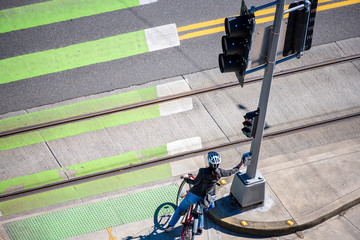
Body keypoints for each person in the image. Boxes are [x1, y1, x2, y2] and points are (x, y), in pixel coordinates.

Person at [165, 151, 243, 235]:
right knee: (201, 210)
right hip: (207, 198)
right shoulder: (220, 172)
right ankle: (200, 228)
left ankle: (170, 226)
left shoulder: (202, 171)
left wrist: (186, 178)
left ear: (209, 163)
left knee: (180, 208)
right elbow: (231, 171)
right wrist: (241, 163)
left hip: (194, 195)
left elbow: (194, 182)